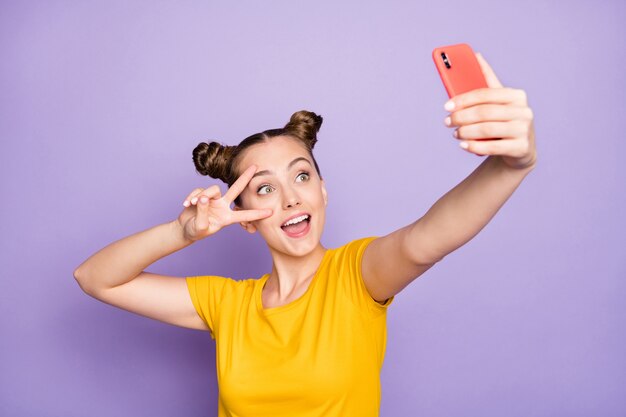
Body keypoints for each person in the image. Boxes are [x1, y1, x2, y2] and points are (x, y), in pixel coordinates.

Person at [74, 53, 537, 417]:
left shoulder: (357, 277)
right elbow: (95, 278)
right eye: (265, 189)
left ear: (323, 191)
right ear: (247, 218)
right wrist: (182, 232)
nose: (291, 200)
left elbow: (426, 240)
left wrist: (510, 166)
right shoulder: (228, 305)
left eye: (300, 177)